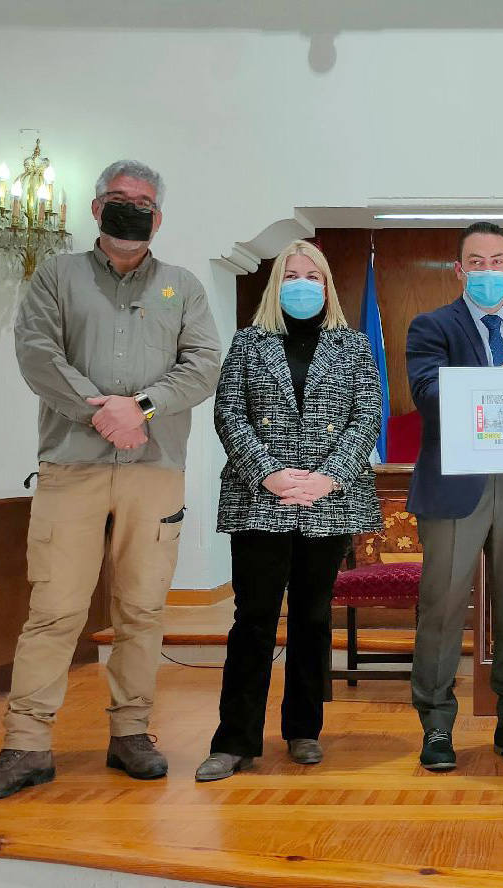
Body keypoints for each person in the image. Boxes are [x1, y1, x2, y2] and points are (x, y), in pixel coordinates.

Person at [0, 160, 221, 800]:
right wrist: (98, 410)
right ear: (94, 207)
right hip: (71, 467)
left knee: (142, 607)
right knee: (54, 610)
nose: (129, 208)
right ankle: (26, 745)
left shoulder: (183, 287)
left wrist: (140, 408)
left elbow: (203, 367)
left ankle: (131, 732)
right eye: (117, 198)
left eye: (141, 201)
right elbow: (36, 353)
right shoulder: (57, 275)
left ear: (158, 216)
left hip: (154, 470)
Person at [194, 241, 382, 782]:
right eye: (292, 275)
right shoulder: (250, 343)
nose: (303, 284)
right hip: (261, 501)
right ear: (277, 285)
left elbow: (366, 417)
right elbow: (230, 413)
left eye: (313, 276)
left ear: (327, 286)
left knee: (312, 619)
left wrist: (329, 478)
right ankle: (235, 740)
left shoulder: (352, 346)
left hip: (327, 502)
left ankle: (304, 731)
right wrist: (268, 472)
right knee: (252, 621)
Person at [405, 222, 503, 771]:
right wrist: (498, 386)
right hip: (455, 484)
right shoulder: (432, 326)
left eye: (499, 261)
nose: (489, 271)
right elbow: (428, 395)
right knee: (442, 610)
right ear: (459, 271)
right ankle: (437, 726)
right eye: (477, 262)